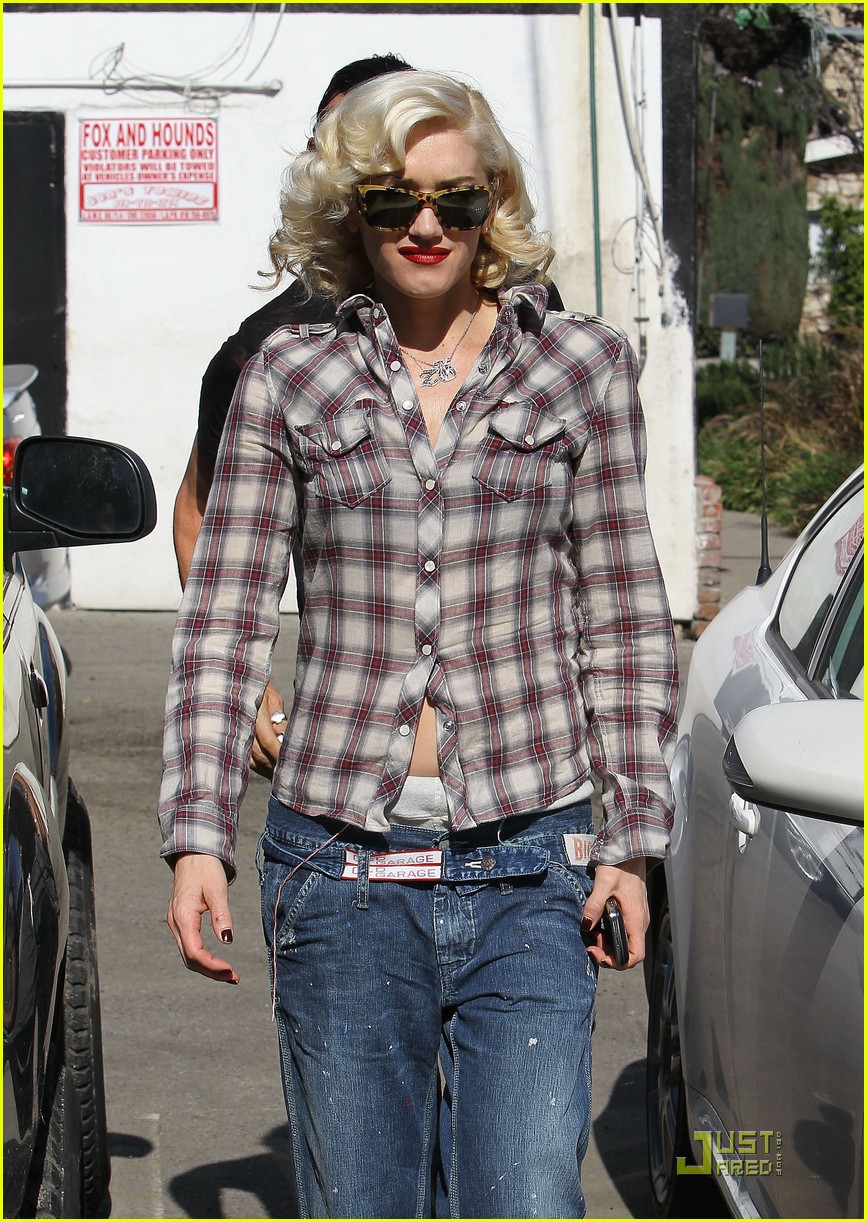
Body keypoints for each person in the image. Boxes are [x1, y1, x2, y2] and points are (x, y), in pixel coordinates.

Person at [159, 68, 677, 1219]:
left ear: (496, 204)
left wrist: (632, 843)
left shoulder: (582, 368)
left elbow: (626, 614)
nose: (427, 224)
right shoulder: (288, 374)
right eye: (395, 200)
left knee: (526, 1194)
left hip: (531, 860)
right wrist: (198, 833)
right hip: (340, 868)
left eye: (457, 198)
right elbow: (227, 613)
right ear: (351, 211)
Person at [173, 54, 415, 776]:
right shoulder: (267, 348)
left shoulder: (527, 322)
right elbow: (201, 513)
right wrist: (246, 685)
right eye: (343, 143)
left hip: (523, 776)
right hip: (342, 763)